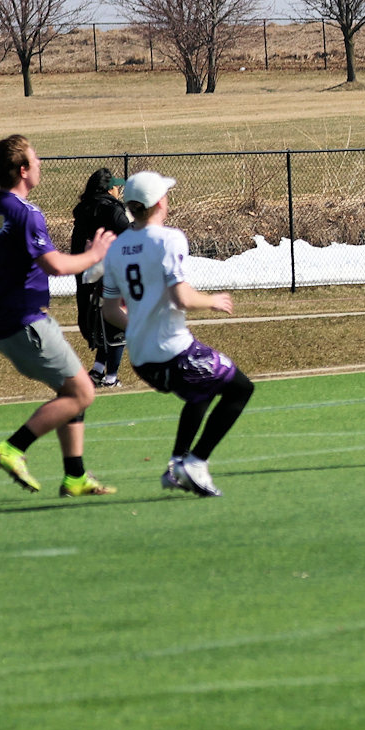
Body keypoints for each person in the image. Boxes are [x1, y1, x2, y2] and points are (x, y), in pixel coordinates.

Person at [0, 135, 118, 497]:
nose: (40, 165)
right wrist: (95, 255)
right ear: (22, 170)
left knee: (69, 389)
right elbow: (55, 266)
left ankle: (75, 476)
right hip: (27, 322)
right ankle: (13, 448)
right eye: (35, 159)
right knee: (83, 393)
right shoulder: (26, 213)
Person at [100, 171, 255, 499]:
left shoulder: (116, 249)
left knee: (202, 388)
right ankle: (195, 463)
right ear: (159, 202)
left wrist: (139, 328)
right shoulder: (168, 239)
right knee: (240, 388)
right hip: (172, 350)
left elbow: (110, 311)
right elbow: (181, 297)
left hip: (141, 358)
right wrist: (212, 301)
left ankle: (176, 465)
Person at [72, 168, 131, 388]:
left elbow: (77, 245)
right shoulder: (112, 209)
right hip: (111, 271)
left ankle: (98, 370)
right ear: (108, 189)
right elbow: (130, 234)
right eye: (116, 187)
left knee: (102, 323)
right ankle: (111, 377)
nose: (119, 191)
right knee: (118, 322)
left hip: (87, 272)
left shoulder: (84, 209)